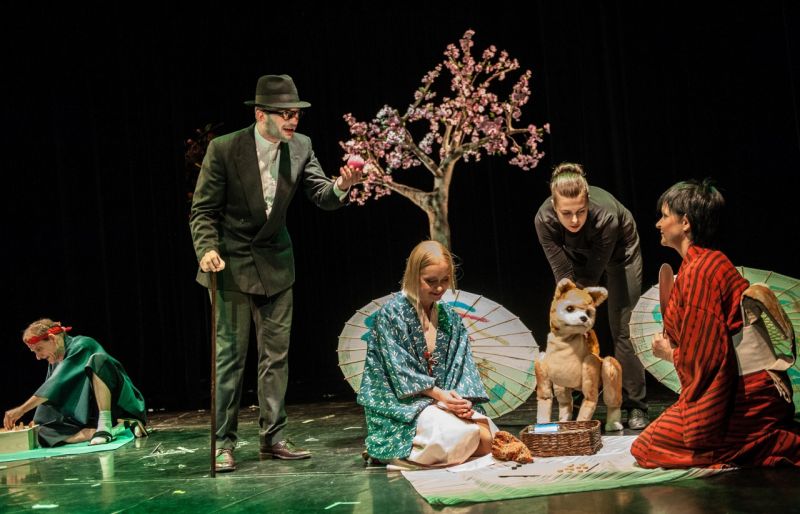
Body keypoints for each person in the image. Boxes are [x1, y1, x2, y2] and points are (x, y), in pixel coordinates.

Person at [189, 74, 362, 472]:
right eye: (284, 114)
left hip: (276, 264)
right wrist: (207, 249)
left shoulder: (301, 146)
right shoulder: (225, 148)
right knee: (230, 358)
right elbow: (203, 210)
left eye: (295, 114)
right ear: (260, 114)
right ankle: (222, 443)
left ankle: (273, 437)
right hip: (230, 263)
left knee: (275, 357)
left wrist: (341, 185)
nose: (292, 121)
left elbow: (321, 195)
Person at [631, 179, 800, 468]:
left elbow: (707, 357)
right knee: (654, 441)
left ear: (685, 223)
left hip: (746, 394)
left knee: (646, 448)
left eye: (665, 215)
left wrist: (669, 354)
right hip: (748, 389)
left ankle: (766, 440)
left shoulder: (701, 271)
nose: (658, 223)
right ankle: (756, 436)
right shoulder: (708, 263)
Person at [357, 240, 497, 468]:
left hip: (443, 401)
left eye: (445, 280)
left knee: (488, 440)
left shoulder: (450, 318)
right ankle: (394, 449)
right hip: (405, 403)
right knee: (459, 436)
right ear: (414, 275)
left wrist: (458, 400)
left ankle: (430, 444)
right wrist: (440, 397)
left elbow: (462, 366)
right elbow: (401, 372)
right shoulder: (392, 314)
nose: (439, 288)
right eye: (431, 281)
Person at [534, 162, 649, 430]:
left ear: (587, 202)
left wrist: (581, 305)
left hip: (621, 252)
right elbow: (563, 275)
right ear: (554, 206)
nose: (574, 220)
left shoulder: (606, 215)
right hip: (576, 254)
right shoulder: (544, 220)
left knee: (624, 326)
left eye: (581, 211)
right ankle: (574, 395)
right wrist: (571, 311)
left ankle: (635, 404)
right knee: (568, 323)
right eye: (566, 213)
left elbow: (594, 272)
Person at [3, 319, 147, 447]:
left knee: (97, 360)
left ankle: (105, 426)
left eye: (39, 349)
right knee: (41, 432)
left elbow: (55, 384)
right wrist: (40, 422)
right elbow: (51, 397)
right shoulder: (55, 359)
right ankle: (113, 429)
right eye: (34, 352)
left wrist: (21, 410)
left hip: (116, 406)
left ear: (52, 339)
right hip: (90, 414)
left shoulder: (83, 345)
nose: (38, 357)